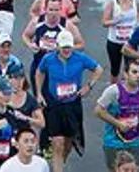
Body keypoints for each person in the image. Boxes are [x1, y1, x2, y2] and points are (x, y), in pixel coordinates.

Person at [33, 30, 101, 172]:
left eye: (69, 47)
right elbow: (39, 72)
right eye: (64, 47)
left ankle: (60, 162)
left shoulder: (80, 58)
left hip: (72, 103)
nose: (67, 50)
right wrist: (39, 93)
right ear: (57, 46)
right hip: (54, 103)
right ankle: (58, 166)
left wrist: (89, 86)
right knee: (57, 142)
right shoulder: (48, 59)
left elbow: (98, 69)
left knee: (68, 142)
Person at [93, 60, 139, 167]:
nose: (138, 76)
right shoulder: (114, 91)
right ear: (125, 74)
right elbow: (98, 110)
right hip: (114, 141)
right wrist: (118, 124)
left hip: (135, 140)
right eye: (134, 72)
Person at [101, 0, 139, 81]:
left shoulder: (135, 2)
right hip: (115, 42)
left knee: (130, 68)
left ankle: (127, 91)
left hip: (130, 42)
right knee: (115, 69)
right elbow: (104, 22)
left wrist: (136, 25)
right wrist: (114, 21)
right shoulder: (113, 3)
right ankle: (113, 91)